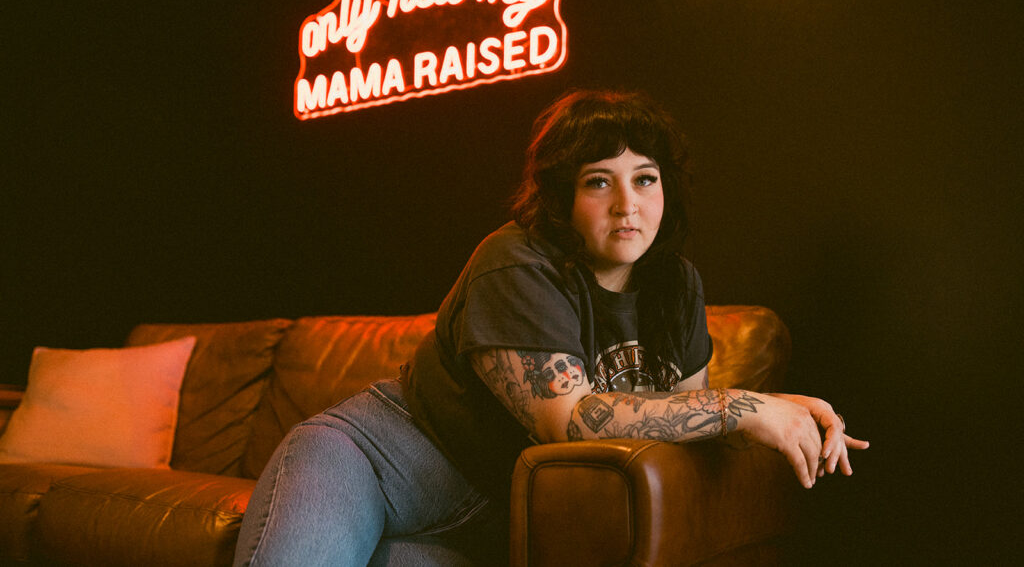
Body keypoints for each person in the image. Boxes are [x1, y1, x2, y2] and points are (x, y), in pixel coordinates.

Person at [233, 89, 869, 566]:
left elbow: (684, 418)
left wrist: (780, 411)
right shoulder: (514, 261)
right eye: (600, 182)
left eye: (645, 179)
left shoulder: (676, 285)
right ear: (564, 195)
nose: (629, 204)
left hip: (498, 510)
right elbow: (566, 421)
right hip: (382, 464)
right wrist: (743, 405)